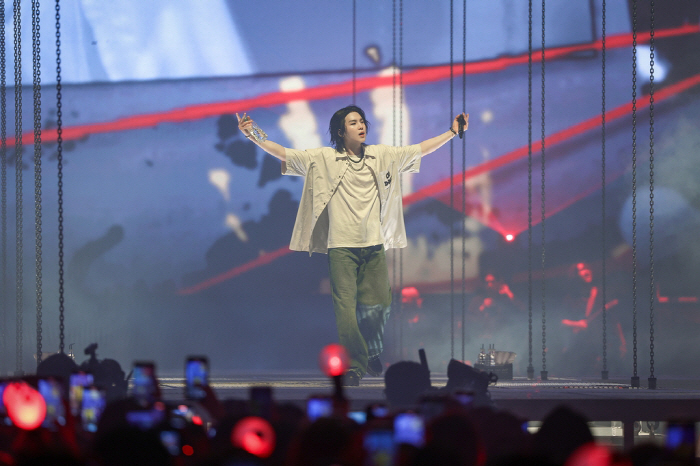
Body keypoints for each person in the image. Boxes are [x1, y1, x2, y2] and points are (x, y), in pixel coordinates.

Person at [237, 105, 468, 386]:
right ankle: (355, 366)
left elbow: (420, 150)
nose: (361, 126)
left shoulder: (382, 155)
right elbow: (284, 153)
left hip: (373, 246)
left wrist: (451, 132)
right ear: (340, 131)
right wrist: (253, 134)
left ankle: (370, 350)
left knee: (380, 304)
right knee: (345, 310)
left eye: (362, 121)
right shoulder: (324, 158)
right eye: (353, 122)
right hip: (341, 248)